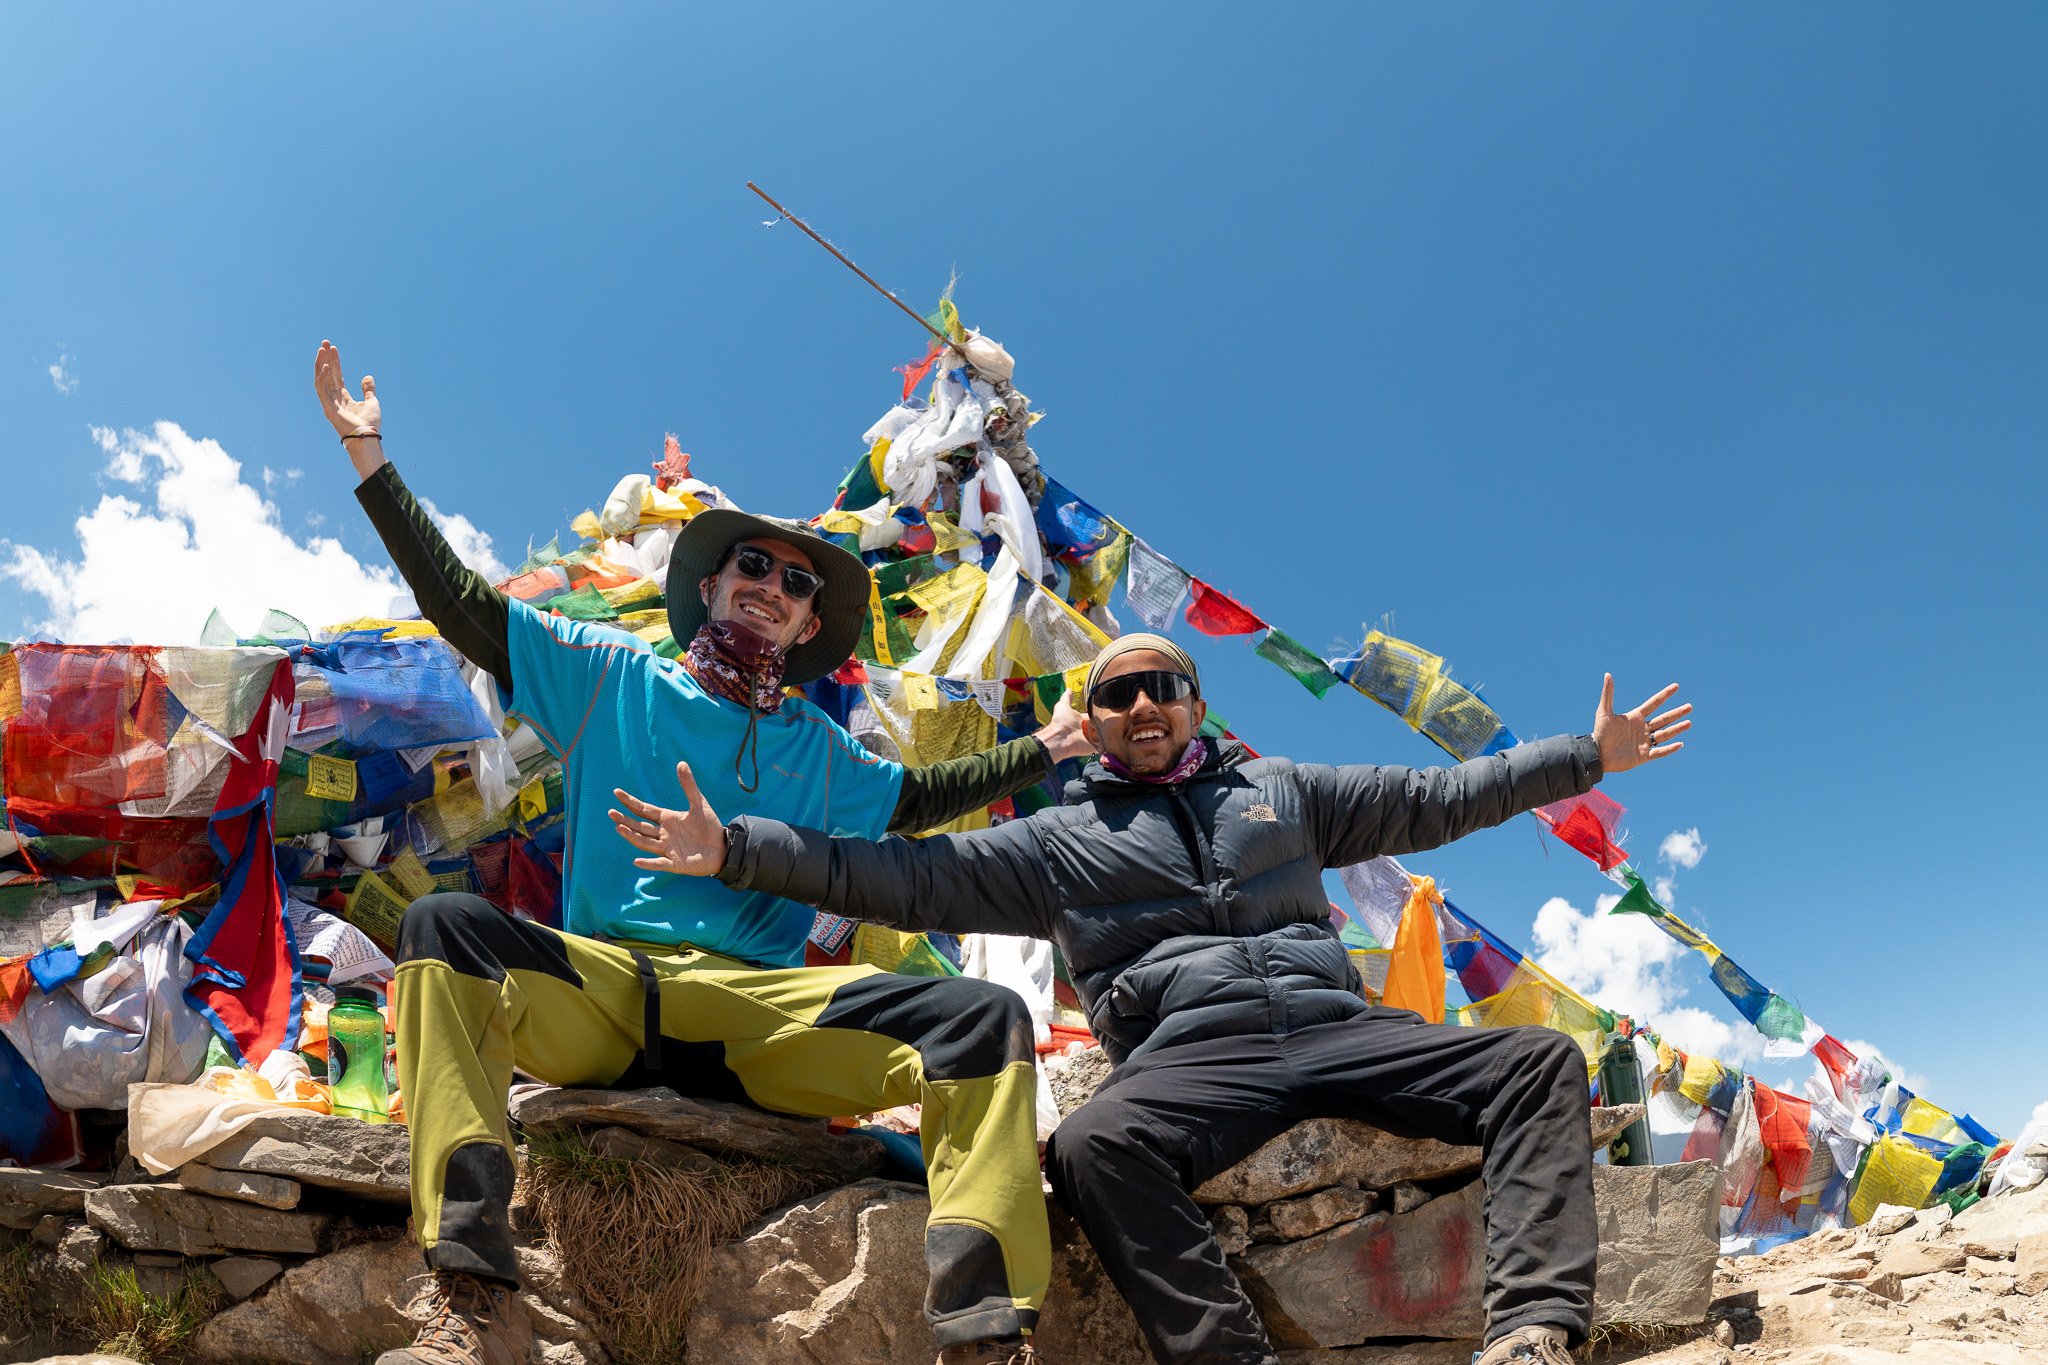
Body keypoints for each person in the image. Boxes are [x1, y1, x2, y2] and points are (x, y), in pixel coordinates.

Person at [313, 341, 1091, 1365]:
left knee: (981, 1019)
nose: (770, 583)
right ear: (713, 584)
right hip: (601, 993)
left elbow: (914, 801)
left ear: (811, 620)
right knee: (440, 930)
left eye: (795, 580)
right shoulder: (613, 674)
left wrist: (1050, 743)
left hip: (754, 1017)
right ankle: (468, 1294)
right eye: (752, 565)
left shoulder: (820, 747)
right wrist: (371, 460)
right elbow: (466, 609)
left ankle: (984, 1341)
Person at [610, 631, 1693, 1365]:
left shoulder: (1285, 794)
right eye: (1116, 693)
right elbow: (897, 876)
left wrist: (1580, 759)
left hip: (1336, 1024)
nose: (1140, 705)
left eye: (1159, 687)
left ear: (1192, 703)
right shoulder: (1052, 843)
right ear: (1091, 720)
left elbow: (1437, 797)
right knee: (1091, 1147)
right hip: (1189, 1052)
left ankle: (1534, 1332)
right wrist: (736, 848)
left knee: (1537, 1062)